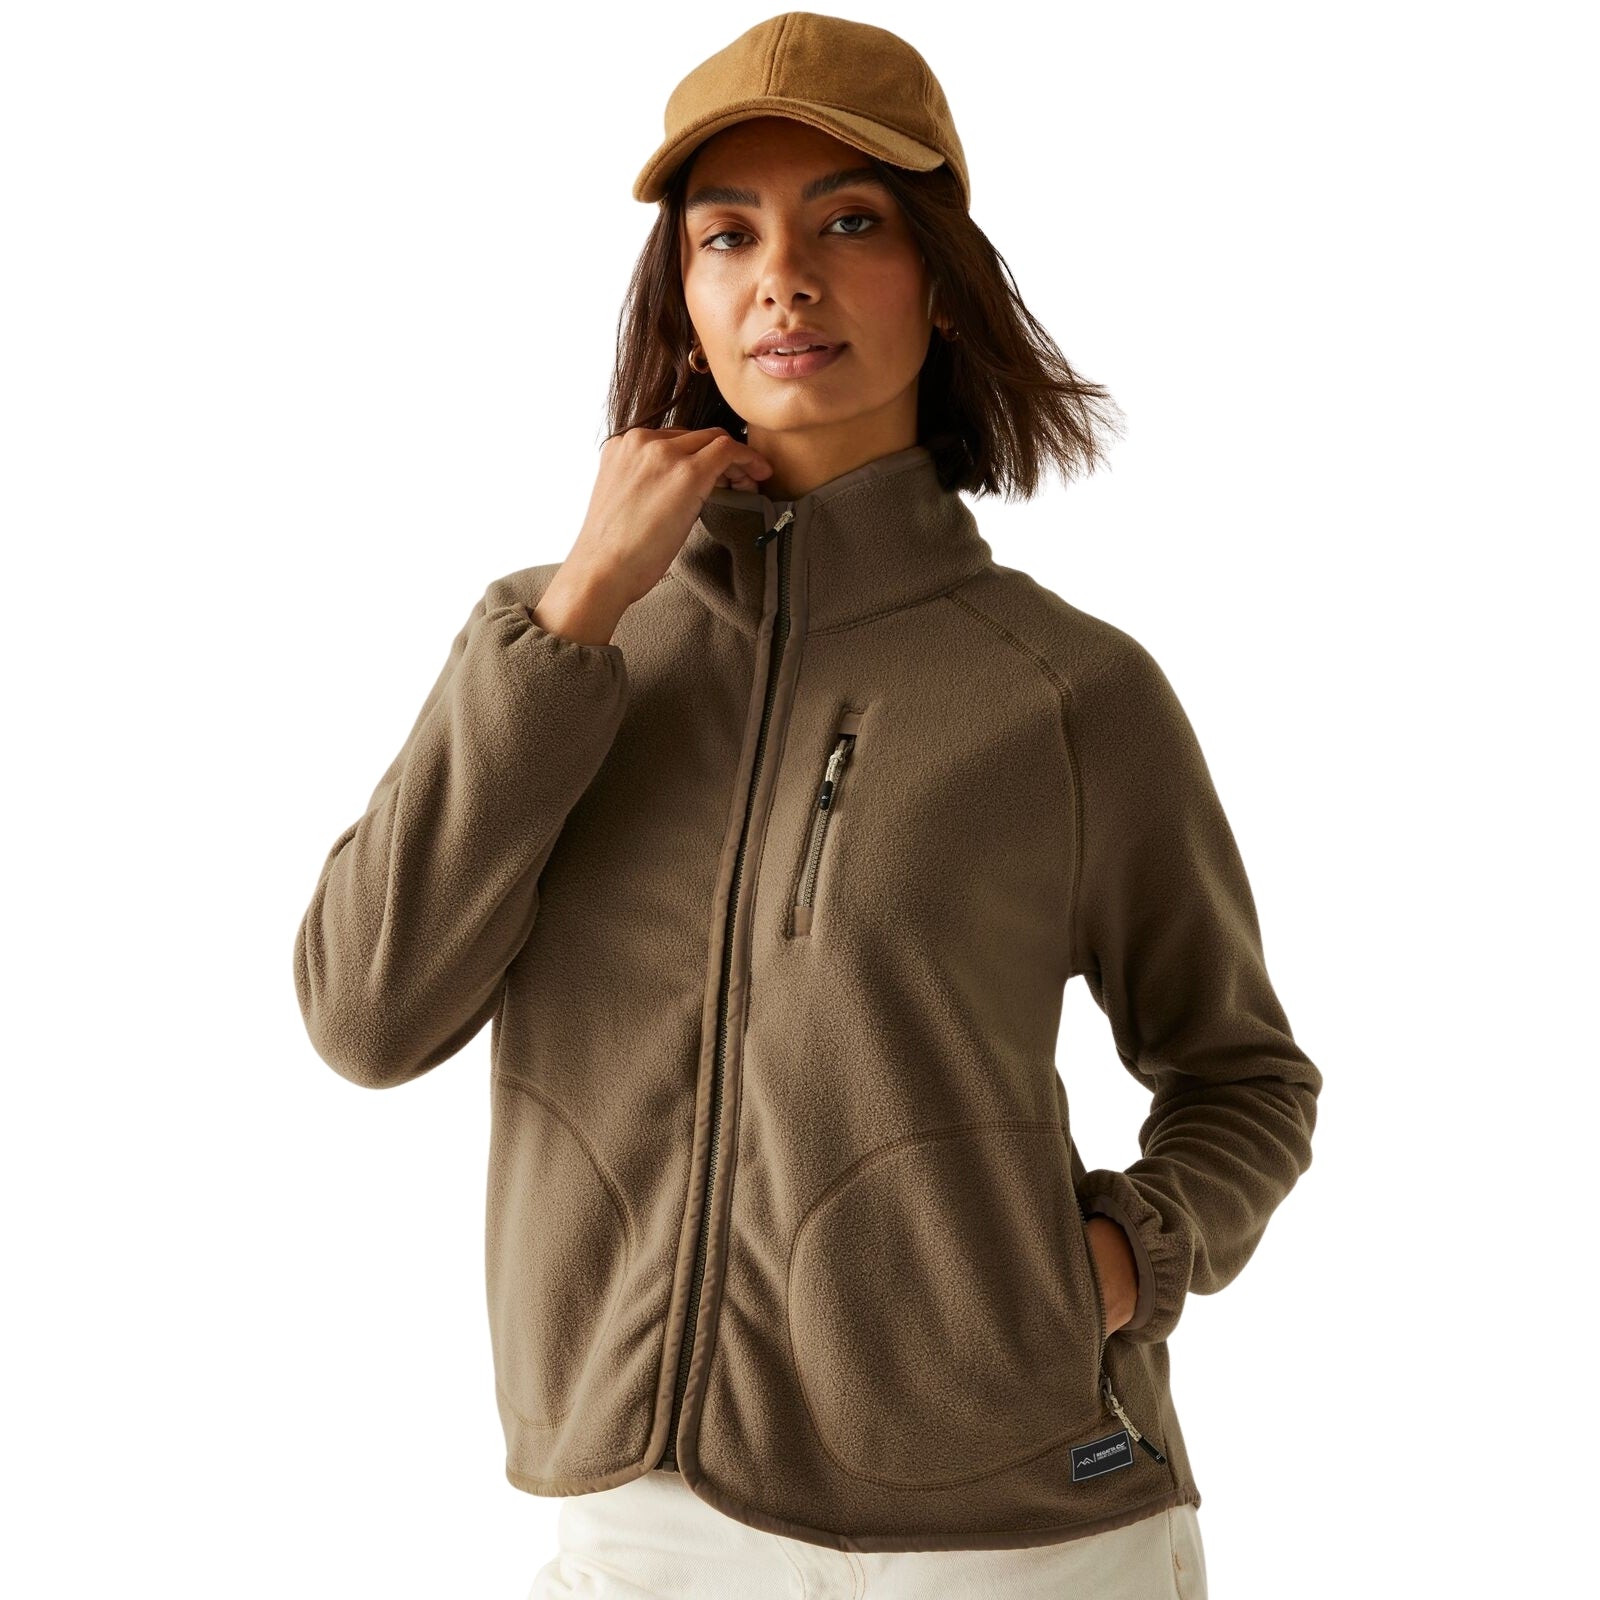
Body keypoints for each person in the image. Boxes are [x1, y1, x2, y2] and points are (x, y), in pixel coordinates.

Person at [292, 13, 1320, 1598]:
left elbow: (1244, 1076)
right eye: (729, 235)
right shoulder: (553, 647)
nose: (784, 277)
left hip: (1014, 1525)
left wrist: (1116, 1268)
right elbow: (368, 1016)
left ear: (941, 286)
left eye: (850, 224)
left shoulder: (1066, 691)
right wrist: (580, 608)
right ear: (683, 297)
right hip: (644, 1513)